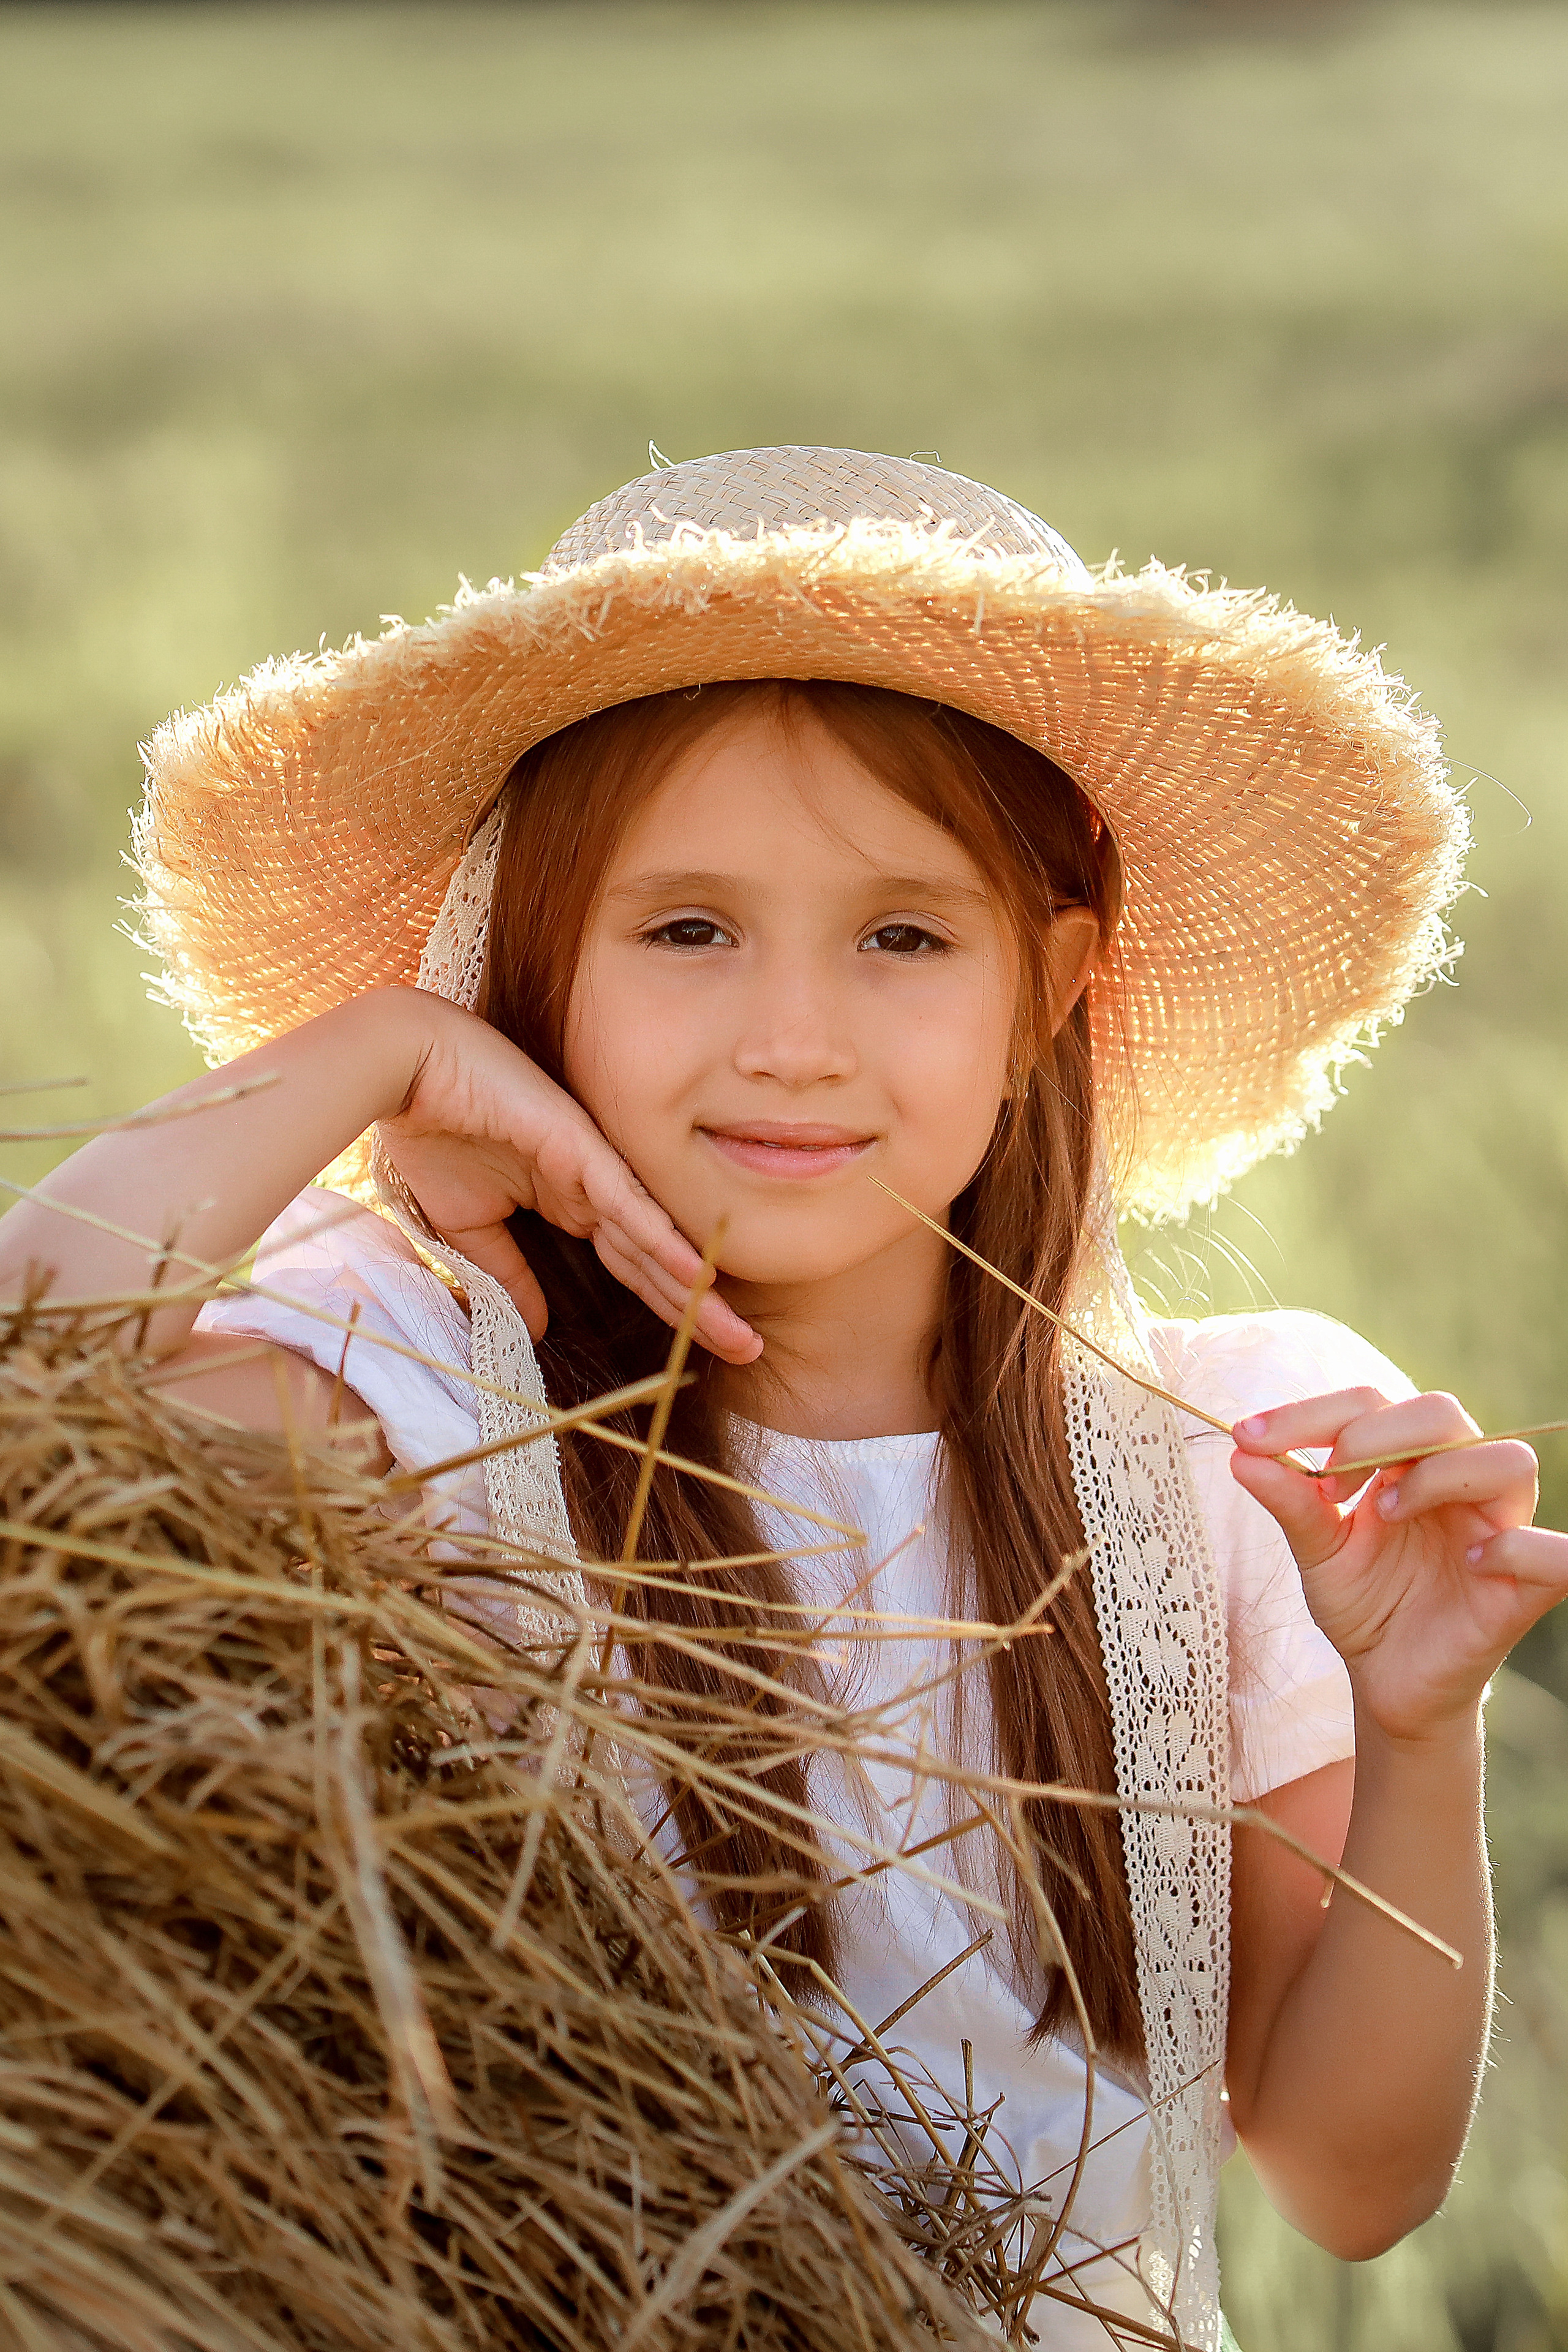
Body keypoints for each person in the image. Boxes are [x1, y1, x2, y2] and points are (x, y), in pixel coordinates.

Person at [5, 447, 1564, 2351]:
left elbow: (1350, 2175)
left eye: (905, 934)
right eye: (686, 930)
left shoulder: (1216, 1469)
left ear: (1047, 990)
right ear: (538, 975)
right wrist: (371, 1056)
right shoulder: (426, 1411)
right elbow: (32, 1406)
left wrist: (1419, 1728)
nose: (793, 1039)